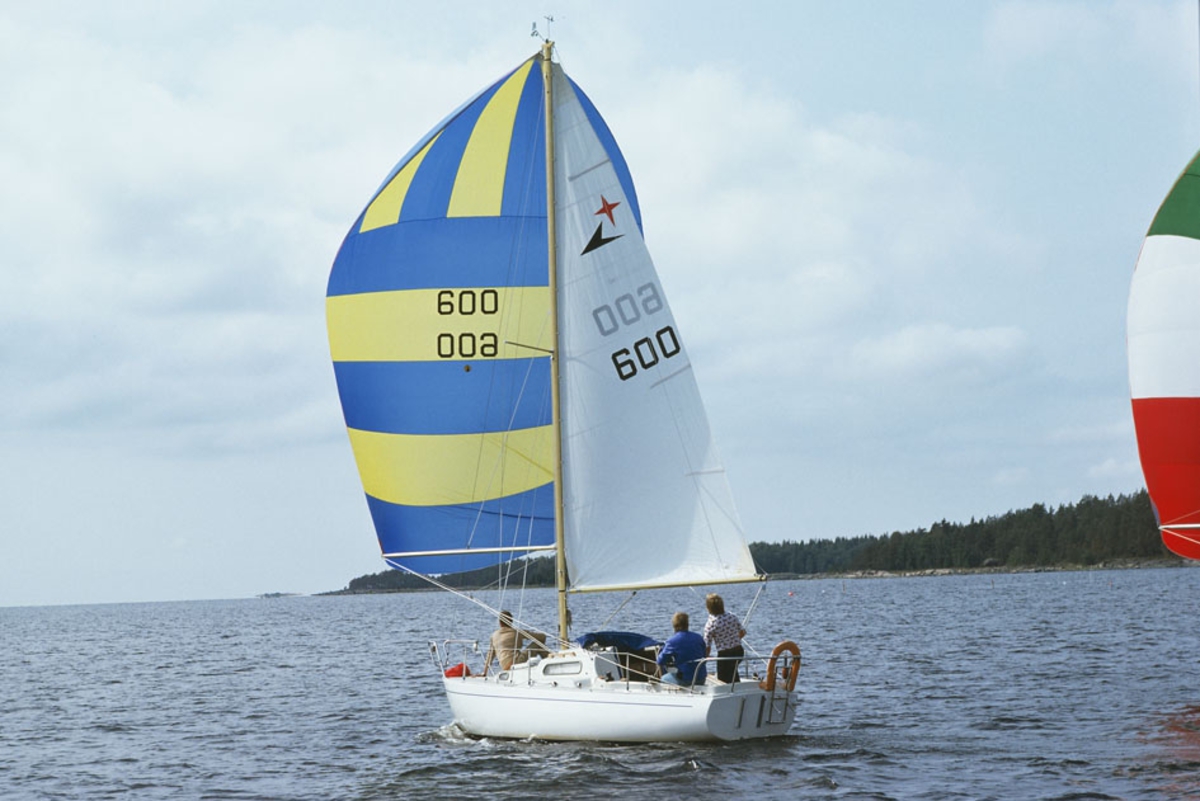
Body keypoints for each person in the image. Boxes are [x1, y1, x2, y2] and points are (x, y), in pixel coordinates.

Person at [483, 610, 550, 675]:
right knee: (538, 644)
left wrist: (484, 672)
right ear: (511, 621)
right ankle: (550, 664)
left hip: (504, 666)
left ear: (500, 623)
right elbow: (542, 637)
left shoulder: (494, 635)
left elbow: (490, 655)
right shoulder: (517, 632)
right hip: (515, 663)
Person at [702, 593, 745, 684]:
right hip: (739, 651)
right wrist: (733, 640)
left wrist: (704, 659)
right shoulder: (732, 616)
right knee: (733, 672)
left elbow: (707, 646)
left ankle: (732, 692)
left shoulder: (711, 624)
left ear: (708, 608)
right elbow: (742, 632)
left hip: (725, 654)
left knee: (723, 679)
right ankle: (737, 686)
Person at [656, 611, 708, 686]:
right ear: (687, 624)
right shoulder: (699, 638)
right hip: (701, 678)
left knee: (664, 678)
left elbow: (660, 661)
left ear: (674, 626)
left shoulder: (672, 641)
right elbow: (704, 656)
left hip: (686, 680)